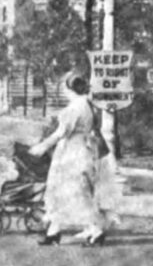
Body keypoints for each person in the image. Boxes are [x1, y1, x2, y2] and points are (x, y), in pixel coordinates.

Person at [28, 72, 111, 247]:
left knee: (76, 193)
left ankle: (96, 232)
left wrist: (42, 146)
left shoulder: (74, 108)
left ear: (68, 89)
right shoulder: (86, 105)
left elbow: (61, 133)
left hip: (72, 153)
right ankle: (53, 232)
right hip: (80, 150)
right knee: (60, 192)